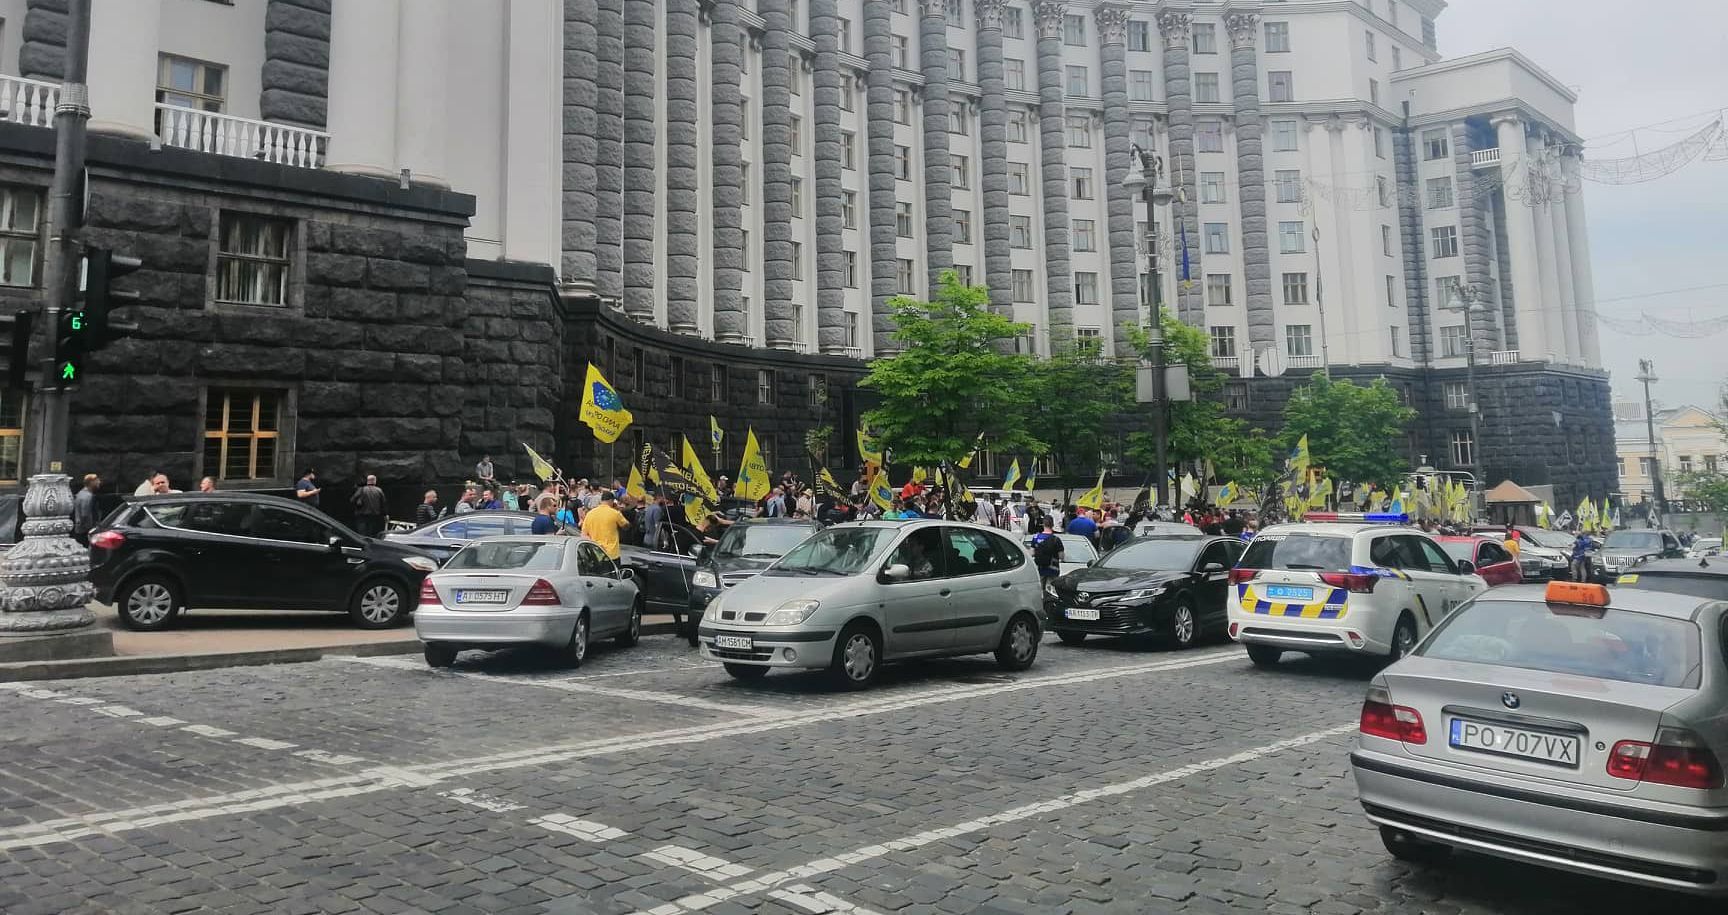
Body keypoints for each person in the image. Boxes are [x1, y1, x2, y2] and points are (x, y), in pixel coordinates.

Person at [581, 490, 631, 560]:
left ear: (601, 500)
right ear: (611, 501)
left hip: (595, 554)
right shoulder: (615, 513)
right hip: (611, 554)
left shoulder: (590, 514)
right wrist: (618, 510)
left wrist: (594, 544)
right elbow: (626, 526)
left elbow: (583, 534)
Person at [72, 473, 100, 545]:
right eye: (97, 480)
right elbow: (85, 514)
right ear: (91, 482)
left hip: (79, 529)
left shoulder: (80, 493)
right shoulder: (88, 496)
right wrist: (92, 529)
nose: (99, 482)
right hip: (85, 531)